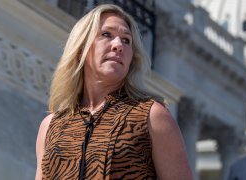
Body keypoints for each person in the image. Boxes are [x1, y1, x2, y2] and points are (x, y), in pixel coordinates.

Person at [35, 4, 192, 180]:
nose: (118, 45)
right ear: (81, 48)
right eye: (106, 35)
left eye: (126, 40)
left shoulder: (152, 115)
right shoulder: (50, 125)